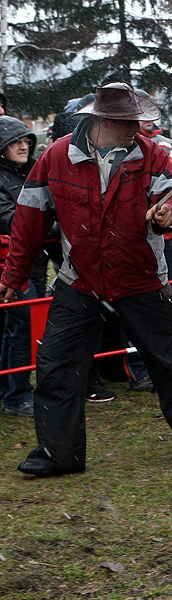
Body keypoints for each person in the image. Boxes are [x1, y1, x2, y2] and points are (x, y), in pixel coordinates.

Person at [0, 82, 172, 476]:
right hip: (79, 281)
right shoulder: (54, 157)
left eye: (138, 120)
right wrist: (14, 274)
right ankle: (57, 454)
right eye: (128, 122)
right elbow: (29, 221)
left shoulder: (151, 154)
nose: (136, 127)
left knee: (168, 361)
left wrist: (168, 212)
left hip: (140, 279)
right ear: (103, 120)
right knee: (55, 366)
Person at [0, 118, 49, 417]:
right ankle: (17, 395)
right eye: (15, 141)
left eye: (27, 141)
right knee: (21, 328)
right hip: (11, 264)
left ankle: (11, 389)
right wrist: (47, 221)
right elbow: (10, 218)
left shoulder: (30, 173)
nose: (23, 145)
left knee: (17, 329)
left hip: (34, 260)